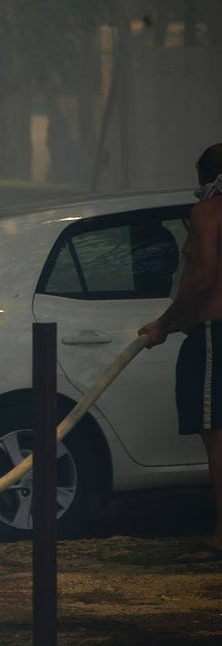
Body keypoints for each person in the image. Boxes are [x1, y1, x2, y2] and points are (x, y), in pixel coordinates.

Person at [140, 142, 222, 564]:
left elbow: (203, 281)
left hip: (214, 334)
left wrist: (165, 323)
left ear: (206, 178)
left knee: (219, 438)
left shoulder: (210, 211)